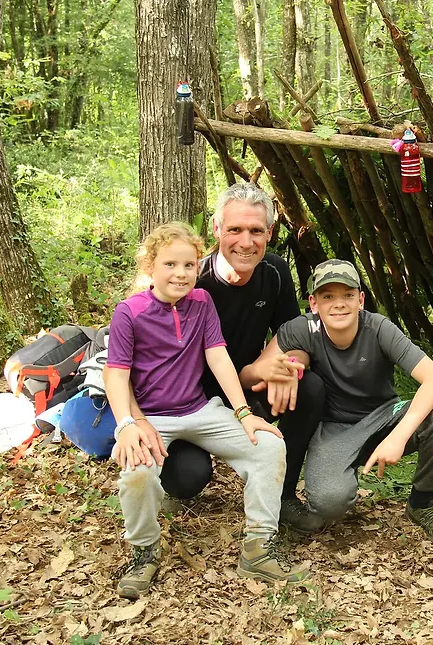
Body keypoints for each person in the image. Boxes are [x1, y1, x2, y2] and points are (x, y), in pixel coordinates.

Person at [104, 223, 308, 599]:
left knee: (268, 446)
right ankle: (144, 552)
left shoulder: (201, 302)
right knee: (137, 473)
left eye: (189, 265)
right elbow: (116, 374)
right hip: (151, 417)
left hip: (200, 409)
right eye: (170, 264)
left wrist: (244, 413)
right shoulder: (129, 312)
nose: (180, 273)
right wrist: (128, 425)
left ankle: (259, 548)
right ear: (150, 266)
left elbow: (217, 357)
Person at [157, 183, 325, 534]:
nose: (246, 242)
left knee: (308, 388)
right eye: (235, 229)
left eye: (256, 231)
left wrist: (289, 367)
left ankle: (282, 495)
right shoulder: (191, 281)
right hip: (192, 400)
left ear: (270, 233)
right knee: (187, 478)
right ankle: (173, 474)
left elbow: (294, 334)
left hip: (248, 390)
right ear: (216, 229)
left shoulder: (275, 272)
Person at [276, 259, 433, 544]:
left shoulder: (378, 328)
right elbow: (260, 367)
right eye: (328, 296)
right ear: (314, 303)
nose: (339, 304)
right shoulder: (303, 329)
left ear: (360, 299)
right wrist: (287, 368)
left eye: (348, 295)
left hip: (384, 416)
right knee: (328, 503)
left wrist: (398, 436)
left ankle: (422, 502)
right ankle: (339, 474)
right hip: (335, 427)